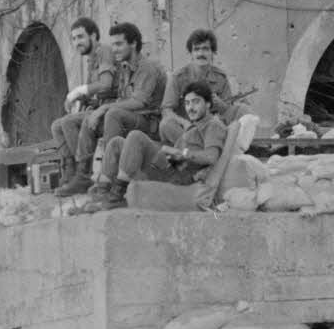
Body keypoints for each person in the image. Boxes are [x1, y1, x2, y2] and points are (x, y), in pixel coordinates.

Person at [56, 22, 167, 196]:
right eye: (113, 44)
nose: (114, 49)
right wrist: (95, 109)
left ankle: (110, 175)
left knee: (112, 113)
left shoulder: (148, 68)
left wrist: (105, 108)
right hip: (129, 118)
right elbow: (121, 98)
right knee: (90, 118)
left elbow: (139, 102)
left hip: (148, 123)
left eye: (119, 44)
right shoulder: (124, 67)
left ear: (133, 44)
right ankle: (83, 175)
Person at [86, 80, 228, 210]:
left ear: (208, 104)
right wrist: (168, 151)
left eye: (196, 102)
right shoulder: (195, 126)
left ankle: (118, 194)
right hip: (170, 165)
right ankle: (102, 192)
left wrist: (182, 153)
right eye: (187, 103)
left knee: (136, 136)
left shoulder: (213, 125)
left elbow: (211, 157)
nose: (190, 108)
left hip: (179, 176)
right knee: (117, 142)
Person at [50, 17, 117, 190]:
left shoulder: (105, 51)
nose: (76, 42)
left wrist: (77, 92)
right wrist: (83, 100)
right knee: (56, 126)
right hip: (99, 108)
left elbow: (106, 84)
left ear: (93, 36)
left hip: (112, 110)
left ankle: (84, 174)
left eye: (80, 37)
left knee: (68, 122)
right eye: (73, 38)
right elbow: (93, 92)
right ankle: (70, 172)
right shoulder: (91, 59)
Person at [159, 28, 251, 145]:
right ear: (191, 54)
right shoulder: (178, 77)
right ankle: (200, 148)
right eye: (196, 49)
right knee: (166, 124)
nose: (201, 54)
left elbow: (228, 111)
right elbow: (166, 110)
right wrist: (184, 123)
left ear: (213, 53)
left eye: (205, 49)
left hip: (211, 129)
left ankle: (205, 147)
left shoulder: (220, 78)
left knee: (243, 111)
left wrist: (219, 104)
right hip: (185, 130)